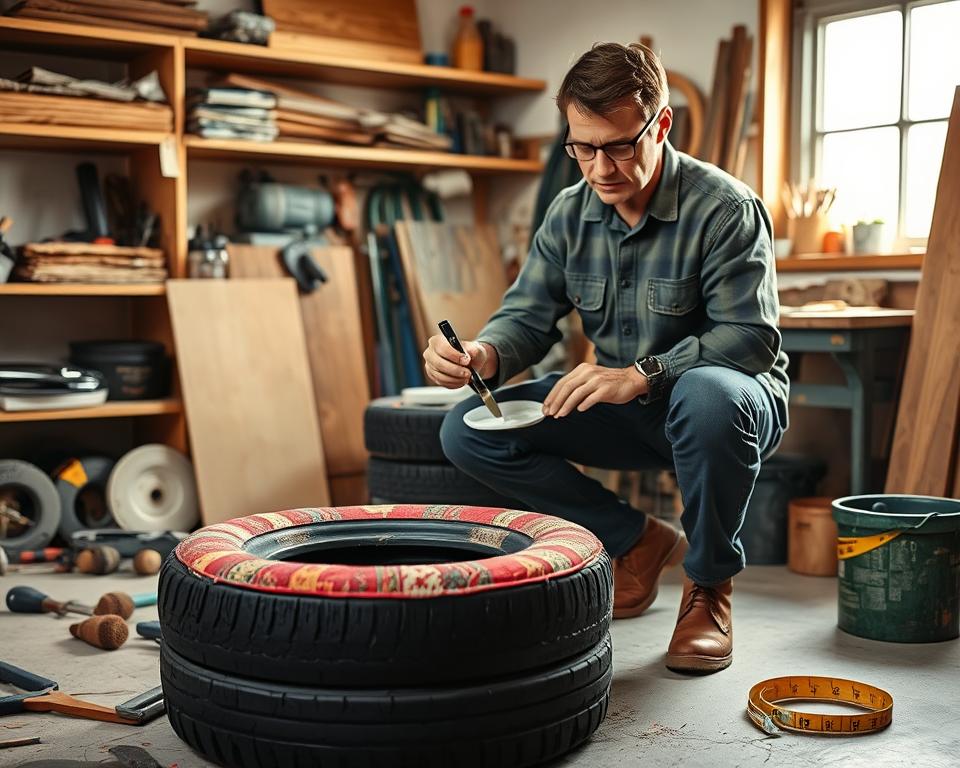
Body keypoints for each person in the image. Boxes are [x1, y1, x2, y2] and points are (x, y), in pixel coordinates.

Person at [422, 42, 789, 674]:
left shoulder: (726, 207)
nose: (599, 167)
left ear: (661, 124)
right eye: (582, 147)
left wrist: (644, 374)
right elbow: (526, 316)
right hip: (623, 408)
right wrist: (482, 353)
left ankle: (707, 588)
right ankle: (637, 542)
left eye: (618, 145)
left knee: (707, 395)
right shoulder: (568, 213)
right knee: (467, 431)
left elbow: (751, 337)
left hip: (724, 408)